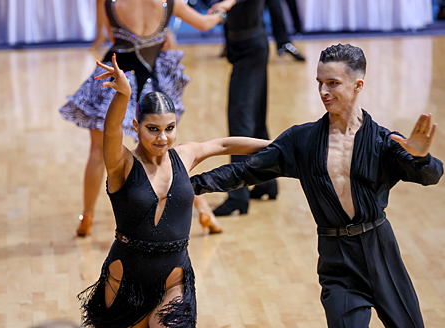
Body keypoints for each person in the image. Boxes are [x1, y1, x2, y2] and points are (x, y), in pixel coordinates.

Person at [190, 44, 443, 327]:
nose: (323, 91)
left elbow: (430, 176)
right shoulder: (303, 141)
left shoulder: (383, 141)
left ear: (358, 85)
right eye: (319, 82)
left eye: (332, 83)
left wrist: (422, 158)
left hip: (380, 250)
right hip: (337, 260)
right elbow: (244, 171)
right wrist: (189, 186)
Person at [78, 55, 271, 328]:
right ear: (136, 127)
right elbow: (110, 133)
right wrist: (124, 96)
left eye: (169, 128)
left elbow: (225, 146)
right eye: (153, 129)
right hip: (125, 284)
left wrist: (283, 145)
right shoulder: (122, 164)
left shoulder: (184, 155)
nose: (162, 137)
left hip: (173, 282)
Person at [59, 0, 237, 237]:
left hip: (116, 80)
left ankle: (87, 217)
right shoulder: (168, 2)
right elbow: (204, 23)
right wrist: (222, 10)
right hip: (152, 84)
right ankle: (204, 210)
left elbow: (106, 35)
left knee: (97, 151)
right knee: (164, 154)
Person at [208, 0, 278, 217]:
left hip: (251, 48)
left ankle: (238, 197)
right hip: (245, 45)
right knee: (254, 119)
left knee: (240, 121)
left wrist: (227, 3)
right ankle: (267, 182)